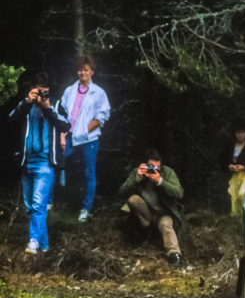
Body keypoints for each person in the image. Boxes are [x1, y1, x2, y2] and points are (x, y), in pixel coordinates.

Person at [7, 72, 70, 254]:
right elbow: (10, 119)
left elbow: (66, 126)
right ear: (32, 89)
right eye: (39, 92)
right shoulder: (25, 104)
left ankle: (33, 241)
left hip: (45, 163)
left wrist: (48, 108)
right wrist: (28, 102)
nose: (42, 96)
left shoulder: (56, 105)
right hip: (26, 162)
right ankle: (45, 247)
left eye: (45, 92)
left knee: (37, 204)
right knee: (30, 207)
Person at [58, 55, 111, 222]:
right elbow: (60, 113)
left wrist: (83, 130)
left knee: (89, 173)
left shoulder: (99, 93)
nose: (82, 73)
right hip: (69, 137)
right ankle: (49, 202)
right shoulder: (69, 90)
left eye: (86, 70)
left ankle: (85, 209)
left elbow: (102, 116)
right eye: (80, 69)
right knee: (55, 164)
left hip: (89, 140)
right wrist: (62, 135)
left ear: (92, 72)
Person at [119, 149, 185, 267]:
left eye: (156, 167)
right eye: (150, 167)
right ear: (144, 165)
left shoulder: (168, 172)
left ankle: (175, 255)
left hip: (164, 213)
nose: (153, 170)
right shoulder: (137, 172)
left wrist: (160, 181)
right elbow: (122, 192)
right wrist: (137, 179)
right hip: (146, 213)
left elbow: (179, 193)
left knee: (166, 225)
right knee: (133, 199)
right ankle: (147, 231)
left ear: (160, 165)